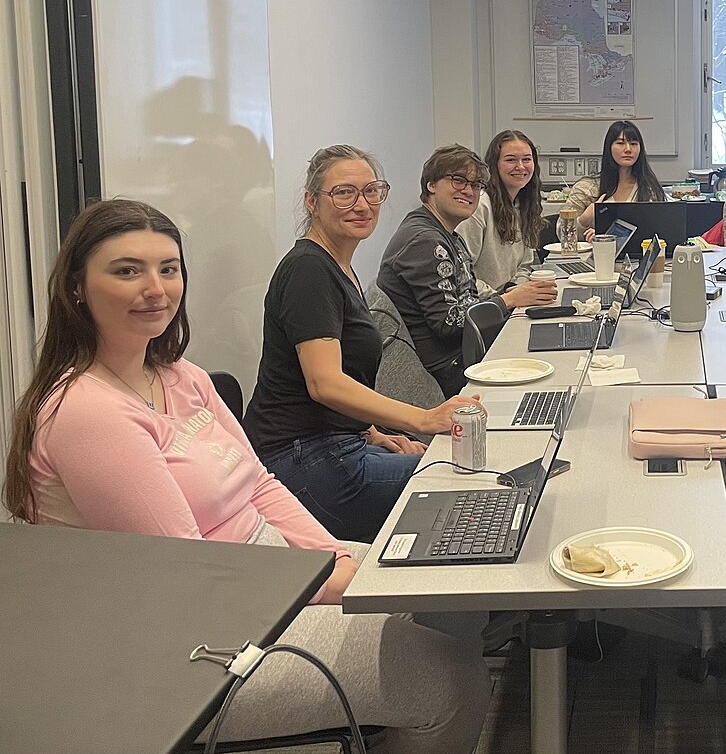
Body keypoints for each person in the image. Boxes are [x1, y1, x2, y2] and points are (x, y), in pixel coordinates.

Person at [3, 198, 489, 754]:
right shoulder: (87, 413)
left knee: (446, 592)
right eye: (127, 271)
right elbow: (188, 570)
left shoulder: (178, 374)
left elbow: (259, 483)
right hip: (187, 643)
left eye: (168, 268)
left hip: (261, 574)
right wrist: (323, 584)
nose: (156, 289)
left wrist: (333, 559)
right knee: (449, 679)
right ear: (76, 288)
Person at [242, 145, 482, 543]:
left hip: (338, 443)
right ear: (312, 201)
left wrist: (374, 433)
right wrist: (423, 420)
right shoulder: (308, 269)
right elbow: (324, 383)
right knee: (464, 476)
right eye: (344, 193)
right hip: (303, 459)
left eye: (371, 191)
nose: (362, 204)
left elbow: (343, 373)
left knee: (447, 462)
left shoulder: (338, 266)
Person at [379, 144, 556, 398]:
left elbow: (468, 299)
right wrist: (507, 300)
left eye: (475, 185)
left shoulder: (446, 234)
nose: (469, 191)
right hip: (448, 372)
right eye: (458, 180)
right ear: (431, 185)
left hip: (462, 354)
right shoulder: (425, 241)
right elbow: (450, 323)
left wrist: (509, 296)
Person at [457, 129, 544, 295]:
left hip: (508, 300)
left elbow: (524, 266)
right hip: (484, 303)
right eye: (511, 160)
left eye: (526, 159)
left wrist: (517, 290)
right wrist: (504, 298)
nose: (520, 166)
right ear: (494, 165)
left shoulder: (523, 206)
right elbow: (462, 276)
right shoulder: (479, 207)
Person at [561, 119, 665, 234]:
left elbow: (659, 230)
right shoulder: (587, 188)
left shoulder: (649, 189)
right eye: (621, 143)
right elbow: (562, 232)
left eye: (633, 144)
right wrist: (584, 220)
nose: (628, 149)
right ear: (609, 147)